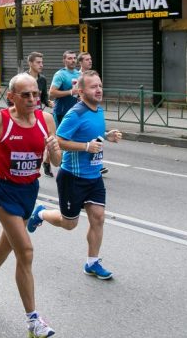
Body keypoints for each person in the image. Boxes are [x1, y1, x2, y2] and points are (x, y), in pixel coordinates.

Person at [0, 73, 61, 338]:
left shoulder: (47, 120)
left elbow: (56, 160)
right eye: (25, 95)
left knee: (6, 244)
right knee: (25, 250)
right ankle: (34, 320)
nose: (32, 99)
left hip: (29, 190)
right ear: (11, 97)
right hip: (3, 190)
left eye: (35, 94)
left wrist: (54, 150)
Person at [26, 70, 122, 280]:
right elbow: (58, 140)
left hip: (94, 176)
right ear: (80, 91)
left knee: (98, 217)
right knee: (69, 224)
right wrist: (86, 147)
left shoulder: (97, 110)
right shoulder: (75, 113)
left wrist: (107, 136)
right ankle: (40, 213)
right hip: (72, 177)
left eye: (100, 85)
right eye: (93, 87)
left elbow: (91, 134)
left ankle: (92, 263)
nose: (98, 90)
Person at [26, 52, 54, 177]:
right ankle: (29, 171)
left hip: (38, 116)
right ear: (30, 63)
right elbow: (12, 99)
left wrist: (48, 103)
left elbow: (43, 97)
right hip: (24, 116)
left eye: (42, 62)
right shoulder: (22, 78)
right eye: (38, 62)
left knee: (46, 141)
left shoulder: (42, 79)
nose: (41, 65)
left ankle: (45, 163)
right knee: (28, 145)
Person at [49, 50, 80, 126]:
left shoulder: (79, 74)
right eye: (70, 58)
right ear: (64, 61)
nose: (73, 60)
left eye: (74, 58)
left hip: (76, 112)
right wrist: (70, 92)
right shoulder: (60, 74)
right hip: (61, 113)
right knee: (60, 137)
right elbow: (52, 93)